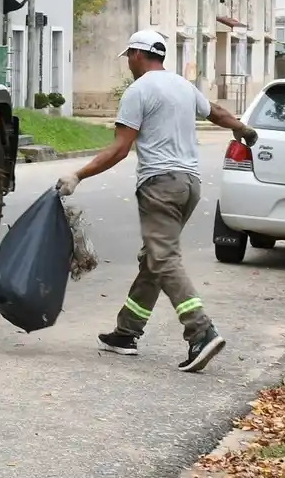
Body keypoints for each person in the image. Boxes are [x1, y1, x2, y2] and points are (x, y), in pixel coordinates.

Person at [56, 30, 257, 373]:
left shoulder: (139, 91)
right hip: (189, 186)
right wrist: (241, 128)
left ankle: (200, 330)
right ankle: (126, 332)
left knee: (163, 258)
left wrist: (78, 175)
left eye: (129, 57)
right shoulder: (182, 85)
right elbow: (216, 112)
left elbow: (120, 148)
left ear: (137, 54)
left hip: (160, 186)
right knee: (153, 259)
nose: (128, 64)